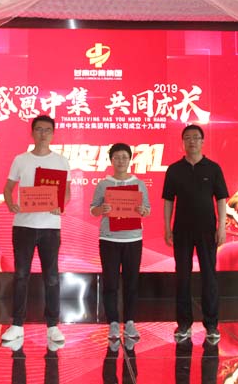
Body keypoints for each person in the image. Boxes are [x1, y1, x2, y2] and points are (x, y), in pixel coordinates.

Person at [1, 115, 71, 347]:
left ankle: (52, 325)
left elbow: (67, 192)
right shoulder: (20, 159)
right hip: (24, 226)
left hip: (50, 227)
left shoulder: (61, 161)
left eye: (47, 130)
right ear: (32, 133)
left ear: (53, 133)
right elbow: (8, 187)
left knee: (51, 277)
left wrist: (61, 205)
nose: (43, 134)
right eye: (39, 129)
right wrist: (10, 203)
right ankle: (17, 324)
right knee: (21, 275)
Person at [162, 124, 228, 343]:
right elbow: (168, 201)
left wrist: (221, 227)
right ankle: (184, 324)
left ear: (202, 141)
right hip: (181, 230)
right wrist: (167, 227)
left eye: (196, 137)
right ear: (183, 142)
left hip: (207, 230)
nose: (192, 141)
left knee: (209, 276)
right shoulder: (174, 170)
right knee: (182, 276)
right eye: (188, 138)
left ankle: (211, 325)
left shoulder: (213, 168)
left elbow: (221, 199)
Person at [90, 143, 150, 341]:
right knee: (110, 283)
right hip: (109, 239)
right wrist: (102, 210)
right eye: (117, 157)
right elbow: (93, 209)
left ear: (130, 159)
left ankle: (130, 322)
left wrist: (143, 211)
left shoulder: (139, 184)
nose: (121, 161)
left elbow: (147, 209)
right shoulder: (103, 184)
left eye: (124, 157)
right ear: (111, 160)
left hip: (133, 239)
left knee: (132, 282)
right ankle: (113, 323)